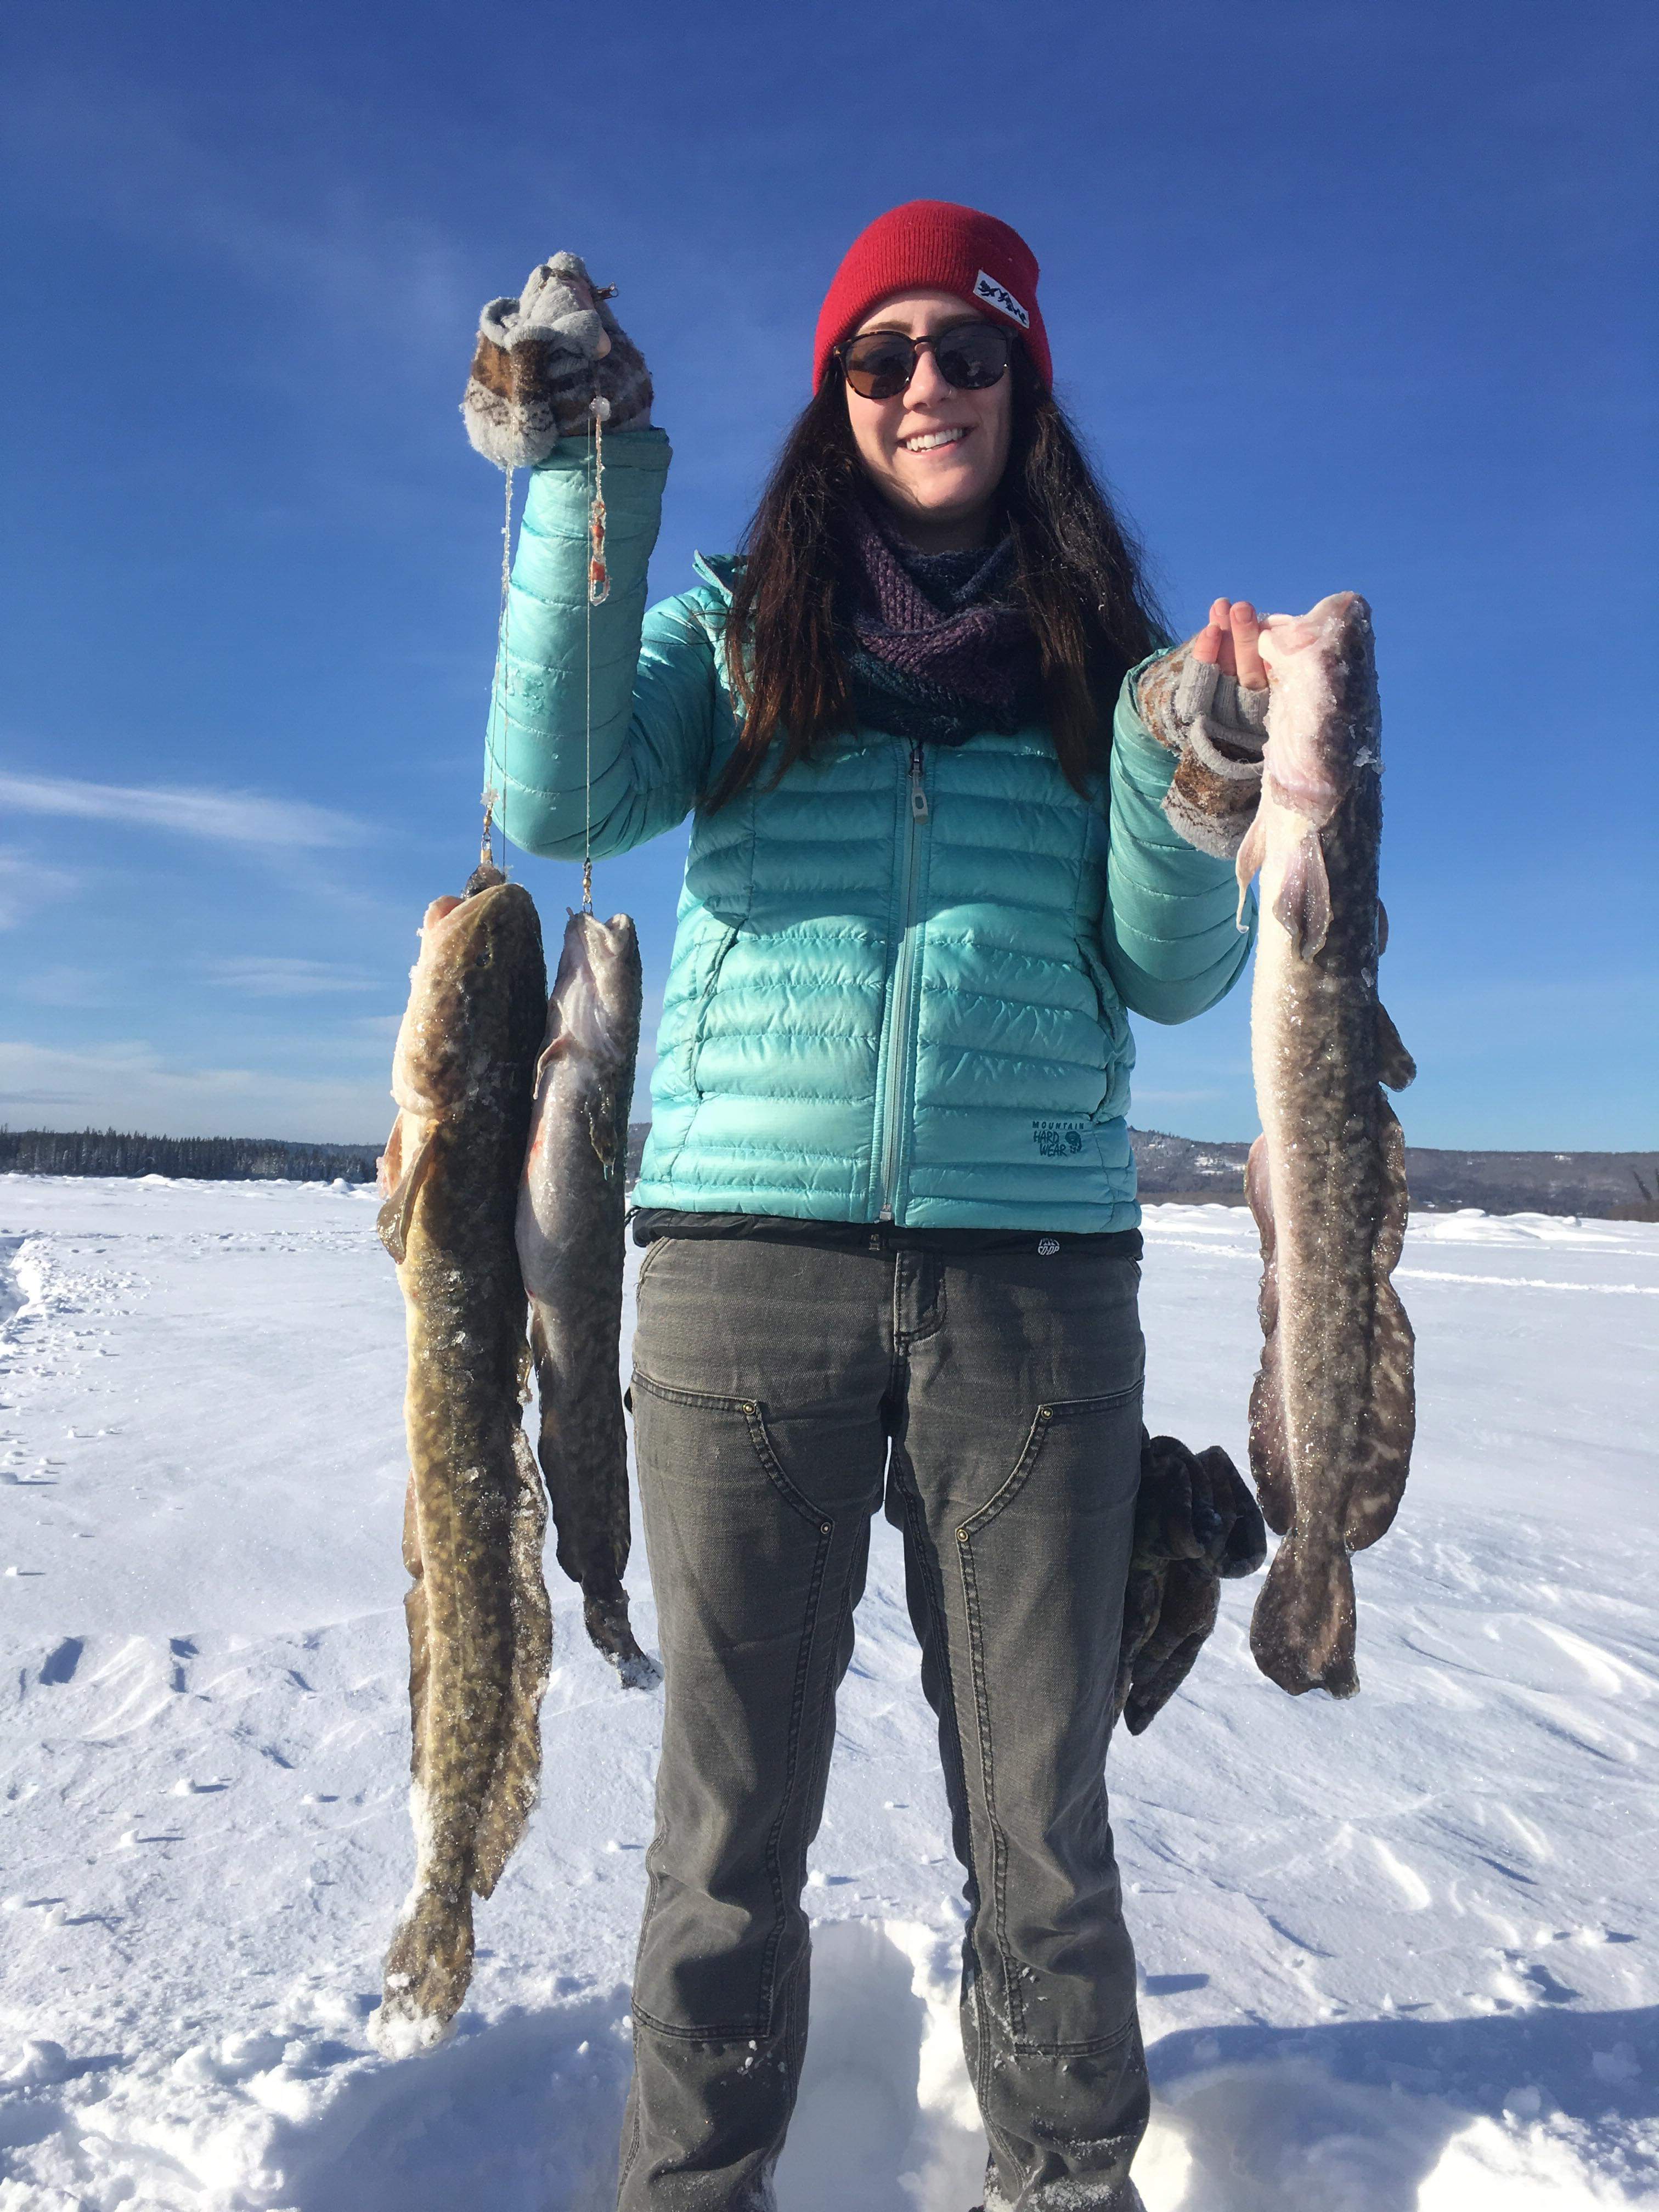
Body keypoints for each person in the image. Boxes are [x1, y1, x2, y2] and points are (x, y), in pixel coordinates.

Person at [464, 200, 1271, 2212]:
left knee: (1043, 1813)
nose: (926, 384)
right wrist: (585, 478)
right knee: (726, 1818)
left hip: (1037, 1286)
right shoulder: (734, 633)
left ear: (1028, 389)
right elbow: (562, 797)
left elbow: (1174, 973)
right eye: (881, 354)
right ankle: (691, 2188)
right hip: (745, 1278)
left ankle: (1065, 2181)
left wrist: (1193, 782)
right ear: (837, 397)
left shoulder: (1114, 671)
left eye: (967, 351)